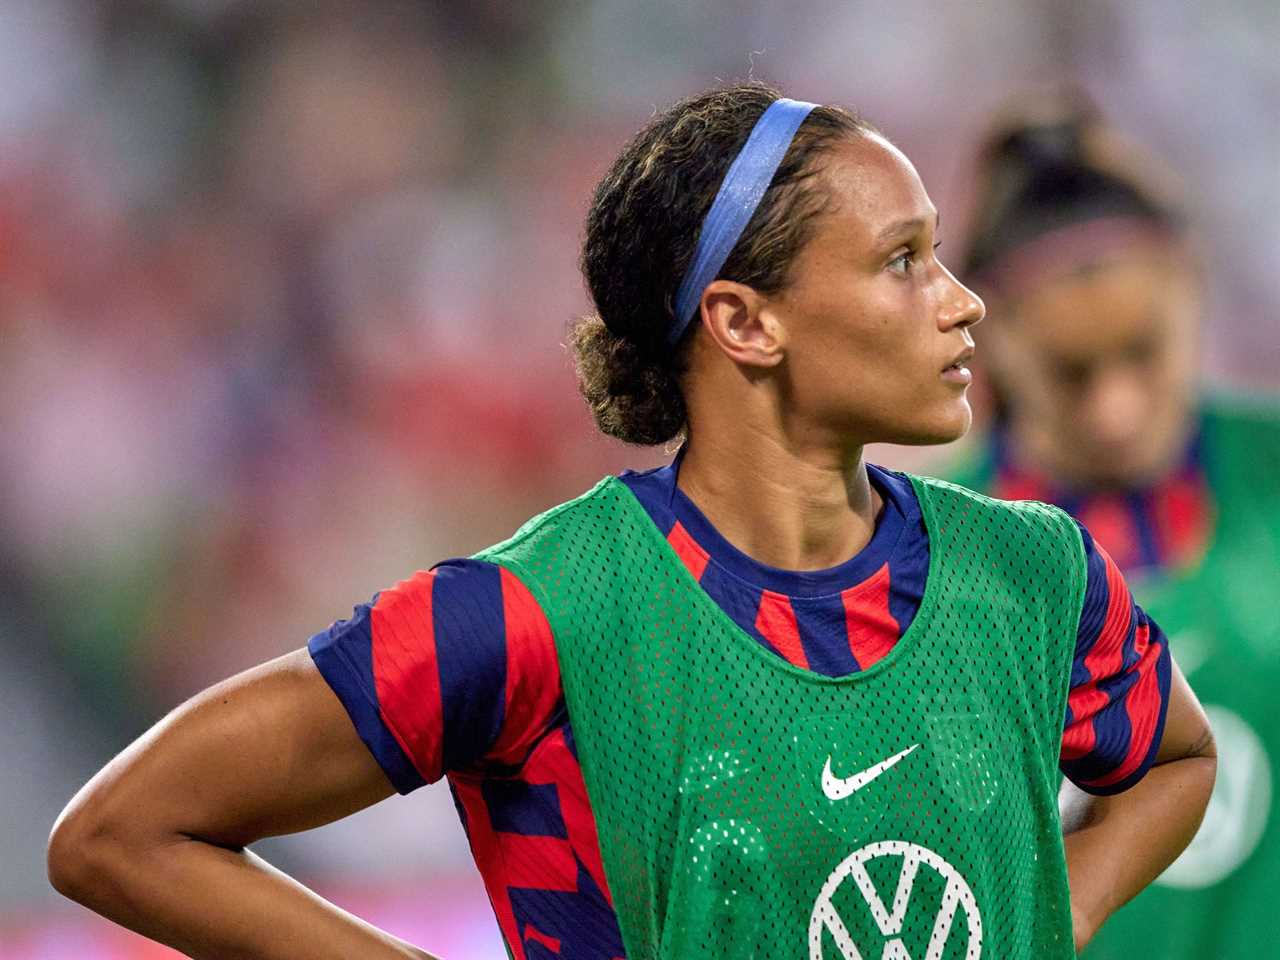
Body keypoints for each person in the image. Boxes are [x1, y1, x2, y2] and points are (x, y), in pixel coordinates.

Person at [47, 83, 1215, 960]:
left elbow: (1174, 759)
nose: (962, 304)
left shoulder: (1031, 567)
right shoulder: (534, 616)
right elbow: (120, 835)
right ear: (743, 323)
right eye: (902, 261)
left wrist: (1043, 913)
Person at [949, 91, 1279, 960]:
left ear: (1192, 291)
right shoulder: (926, 551)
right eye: (1072, 372)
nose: (1116, 409)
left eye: (1143, 352)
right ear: (995, 339)